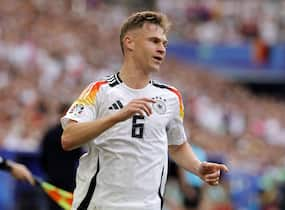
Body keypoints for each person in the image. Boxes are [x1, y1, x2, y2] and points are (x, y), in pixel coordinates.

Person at [61, 11, 229, 210]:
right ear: (129, 42)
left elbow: (176, 146)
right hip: (100, 205)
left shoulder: (171, 97)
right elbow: (68, 139)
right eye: (154, 41)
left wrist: (198, 168)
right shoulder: (100, 90)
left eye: (164, 44)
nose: (162, 49)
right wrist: (117, 116)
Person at [40, 103, 82, 210]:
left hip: (52, 179)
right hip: (69, 180)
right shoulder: (75, 135)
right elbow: (78, 156)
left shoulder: (49, 134)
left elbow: (42, 158)